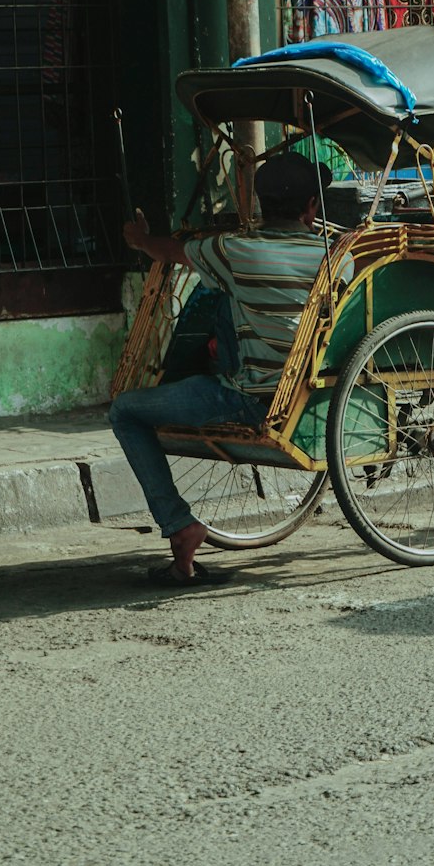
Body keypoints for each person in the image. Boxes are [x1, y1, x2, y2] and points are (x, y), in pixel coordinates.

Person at [110, 151, 337, 587]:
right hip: (312, 389)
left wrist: (139, 239)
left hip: (249, 399)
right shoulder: (336, 254)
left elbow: (170, 251)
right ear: (312, 205)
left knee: (125, 410)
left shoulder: (233, 248)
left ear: (259, 204)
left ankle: (179, 525)